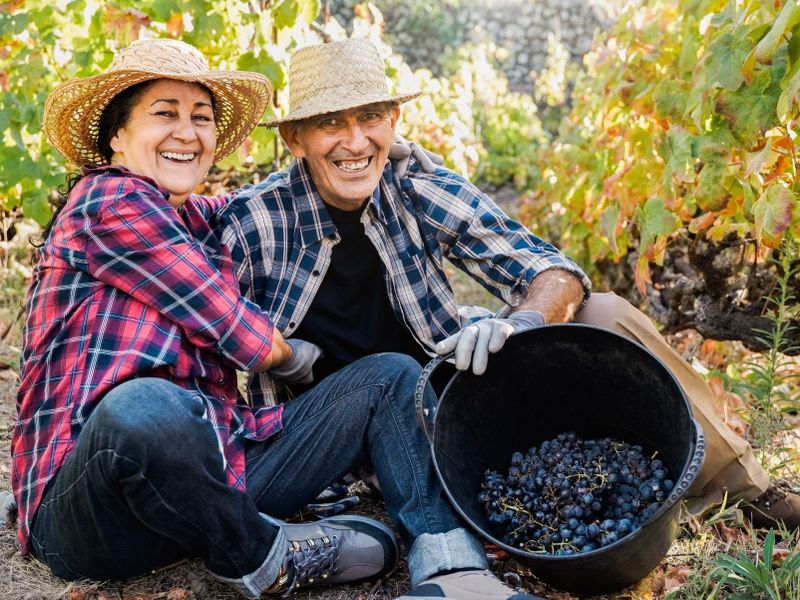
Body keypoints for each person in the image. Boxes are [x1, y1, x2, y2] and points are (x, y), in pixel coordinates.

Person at [213, 37, 800, 595]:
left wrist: (522, 323)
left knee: (604, 312)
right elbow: (186, 309)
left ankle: (748, 489)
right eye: (329, 123)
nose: (355, 139)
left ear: (394, 120)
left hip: (454, 414)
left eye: (370, 116)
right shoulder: (252, 221)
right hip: (334, 450)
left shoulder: (413, 183)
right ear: (293, 139)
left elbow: (552, 270)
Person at [15, 37, 536, 600]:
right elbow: (244, 337)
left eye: (201, 117)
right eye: (164, 114)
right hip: (92, 513)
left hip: (209, 483)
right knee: (144, 406)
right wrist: (287, 356)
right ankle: (267, 555)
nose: (187, 132)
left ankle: (450, 568)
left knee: (389, 375)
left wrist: (373, 150)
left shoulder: (190, 217)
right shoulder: (107, 200)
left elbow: (256, 202)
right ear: (117, 136)